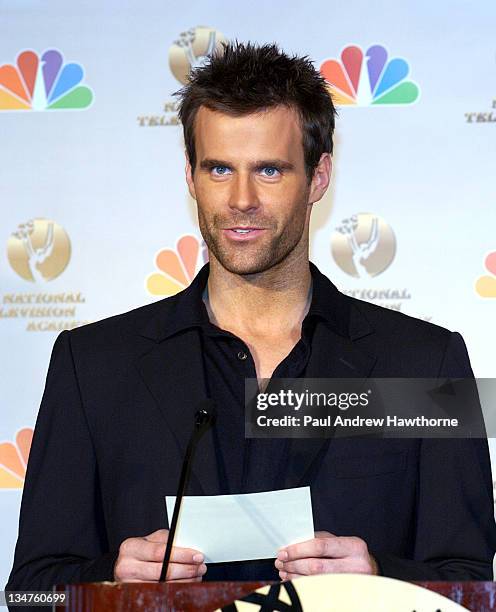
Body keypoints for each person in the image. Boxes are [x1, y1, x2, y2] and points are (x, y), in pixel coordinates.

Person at [6, 42, 496, 592]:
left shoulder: (424, 365)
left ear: (318, 177)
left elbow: (472, 587)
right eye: (219, 168)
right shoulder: (94, 365)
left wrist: (381, 579)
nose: (241, 198)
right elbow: (29, 591)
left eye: (268, 169)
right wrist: (108, 578)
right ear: (190, 176)